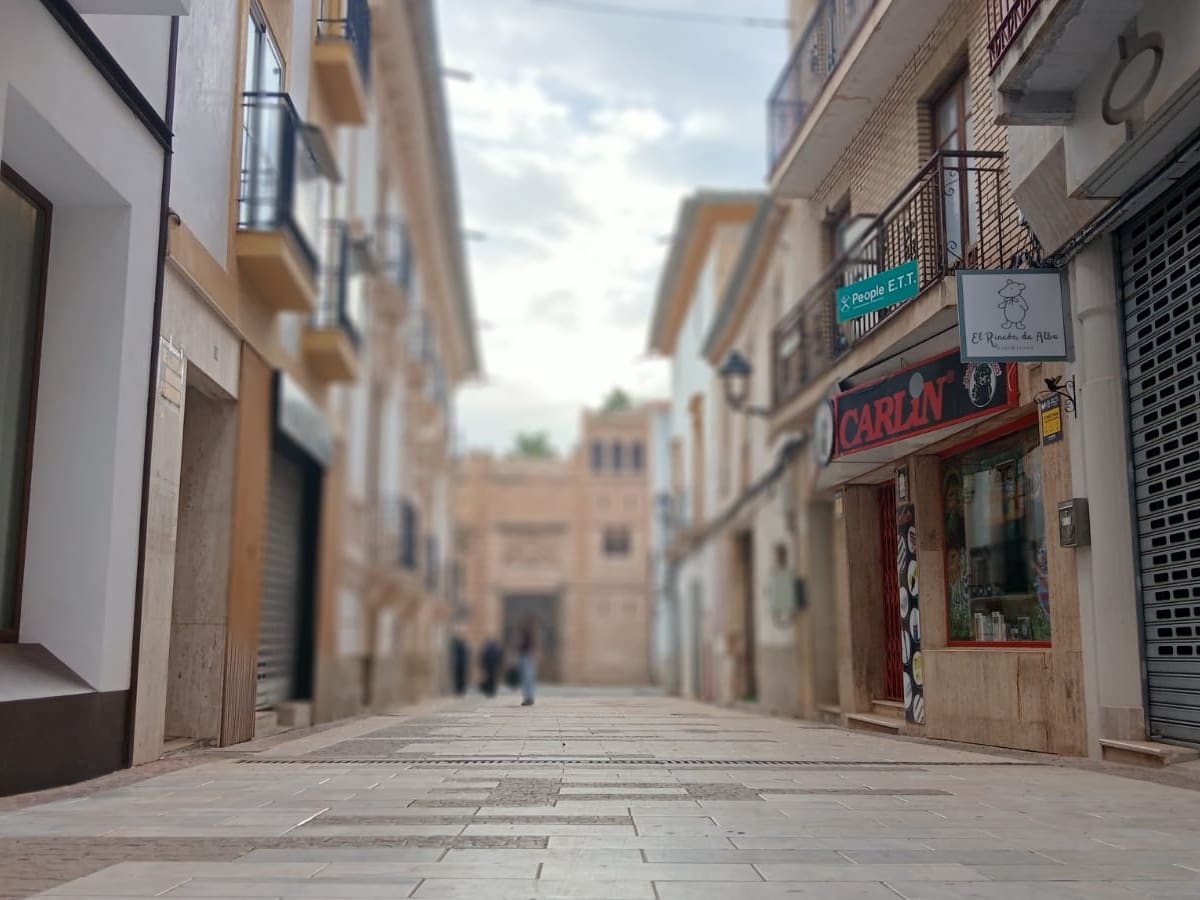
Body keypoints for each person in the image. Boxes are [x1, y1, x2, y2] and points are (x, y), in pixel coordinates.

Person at [517, 616, 538, 707]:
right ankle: (528, 698)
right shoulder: (524, 633)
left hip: (527, 656)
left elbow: (535, 645)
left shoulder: (532, 633)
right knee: (526, 678)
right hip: (524, 656)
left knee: (527, 678)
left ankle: (528, 698)